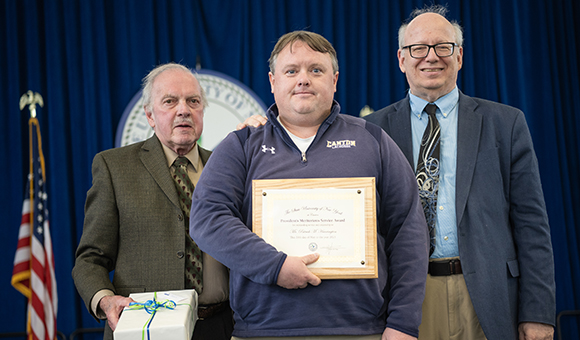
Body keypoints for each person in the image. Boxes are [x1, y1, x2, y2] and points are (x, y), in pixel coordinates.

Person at [189, 30, 428, 340]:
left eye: (316, 70)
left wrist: (403, 324)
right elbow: (207, 220)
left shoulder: (373, 141)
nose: (303, 79)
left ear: (334, 80)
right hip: (261, 332)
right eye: (292, 71)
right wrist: (274, 266)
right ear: (273, 81)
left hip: (363, 331)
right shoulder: (241, 145)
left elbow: (408, 232)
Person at [363, 5, 556, 340]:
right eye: (418, 48)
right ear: (401, 59)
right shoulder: (372, 130)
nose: (431, 57)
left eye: (443, 47)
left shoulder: (505, 124)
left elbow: (532, 225)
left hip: (489, 295)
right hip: (406, 299)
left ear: (460, 55)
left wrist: (538, 312)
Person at [72, 62, 233, 340]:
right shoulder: (114, 167)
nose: (183, 110)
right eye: (170, 101)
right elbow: (90, 259)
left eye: (193, 101)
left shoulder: (227, 167)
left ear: (202, 111)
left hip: (222, 326)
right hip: (145, 328)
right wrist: (105, 299)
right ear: (149, 114)